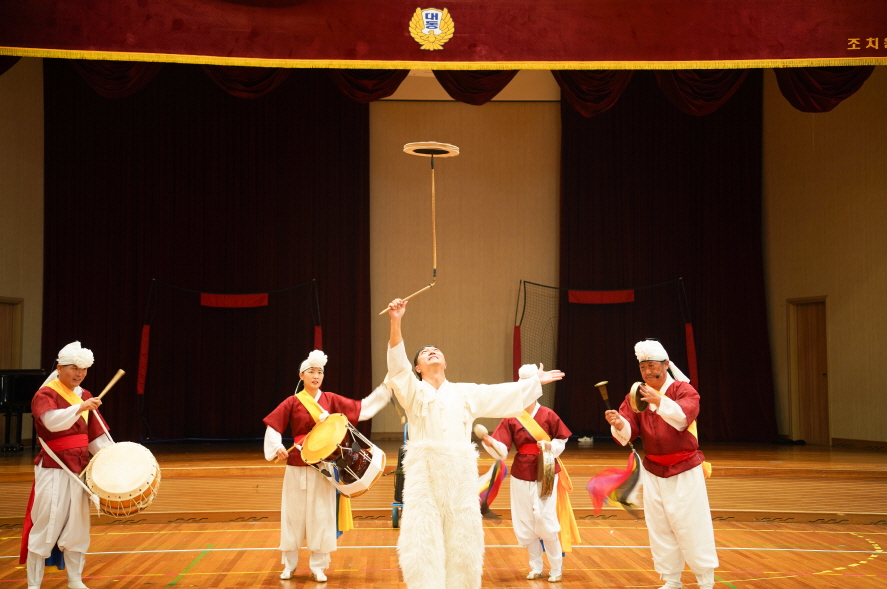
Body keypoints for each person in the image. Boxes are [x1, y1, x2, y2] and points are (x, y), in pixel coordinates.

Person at [384, 298, 565, 589]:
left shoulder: (464, 392)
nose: (432, 352)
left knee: (463, 538)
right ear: (417, 367)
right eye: (425, 353)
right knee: (422, 538)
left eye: (436, 350)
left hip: (459, 475)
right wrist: (396, 321)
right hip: (424, 475)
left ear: (445, 363)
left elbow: (499, 394)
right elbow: (397, 367)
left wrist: (533, 383)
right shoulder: (412, 392)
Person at [263, 350, 391, 583]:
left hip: (324, 466)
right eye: (311, 371)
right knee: (292, 515)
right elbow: (274, 425)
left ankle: (318, 566)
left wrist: (386, 390)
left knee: (321, 515)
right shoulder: (293, 401)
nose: (316, 376)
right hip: (296, 464)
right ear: (301, 375)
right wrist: (277, 447)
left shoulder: (331, 399)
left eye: (320, 372)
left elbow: (361, 409)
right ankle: (289, 565)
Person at [604, 339, 718, 589]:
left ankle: (705, 580)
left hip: (684, 467)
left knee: (690, 523)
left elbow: (683, 418)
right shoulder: (636, 394)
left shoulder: (684, 390)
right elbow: (629, 431)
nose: (647, 372)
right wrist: (619, 423)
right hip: (653, 469)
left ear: (666, 364)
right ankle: (671, 579)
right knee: (660, 525)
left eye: (652, 366)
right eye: (643, 367)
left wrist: (658, 401)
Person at [20, 341, 114, 589]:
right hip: (54, 466)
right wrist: (80, 407)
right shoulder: (46, 394)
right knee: (47, 523)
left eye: (84, 369)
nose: (79, 374)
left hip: (79, 468)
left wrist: (113, 459)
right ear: (59, 368)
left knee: (77, 526)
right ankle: (33, 584)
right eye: (74, 368)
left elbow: (96, 437)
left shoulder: (85, 395)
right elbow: (51, 422)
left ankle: (75, 580)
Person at [479, 400, 574, 582]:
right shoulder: (512, 416)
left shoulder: (548, 414)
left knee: (544, 518)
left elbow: (561, 439)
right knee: (525, 520)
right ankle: (536, 567)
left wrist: (550, 446)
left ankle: (556, 568)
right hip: (521, 471)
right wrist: (491, 443)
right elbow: (502, 450)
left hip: (546, 470)